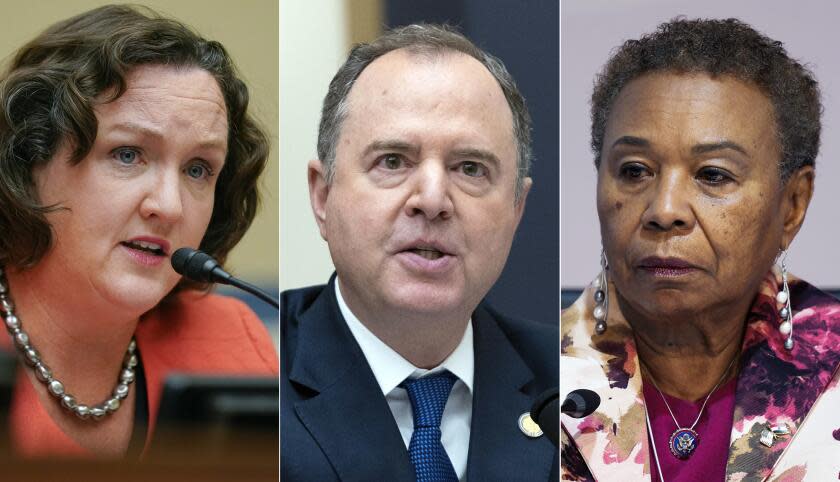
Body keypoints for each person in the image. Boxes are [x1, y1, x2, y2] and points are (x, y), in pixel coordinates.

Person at [561, 18, 839, 481]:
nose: (664, 210)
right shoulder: (535, 382)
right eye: (634, 170)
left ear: (792, 205)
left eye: (713, 175)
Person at [281, 24, 558, 481]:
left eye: (470, 168)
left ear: (516, 210)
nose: (432, 199)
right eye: (392, 161)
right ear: (322, 196)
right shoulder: (256, 369)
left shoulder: (578, 390)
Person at [0, 5, 277, 458]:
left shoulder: (231, 345)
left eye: (198, 169)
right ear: (29, 160)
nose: (168, 207)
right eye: (128, 154)